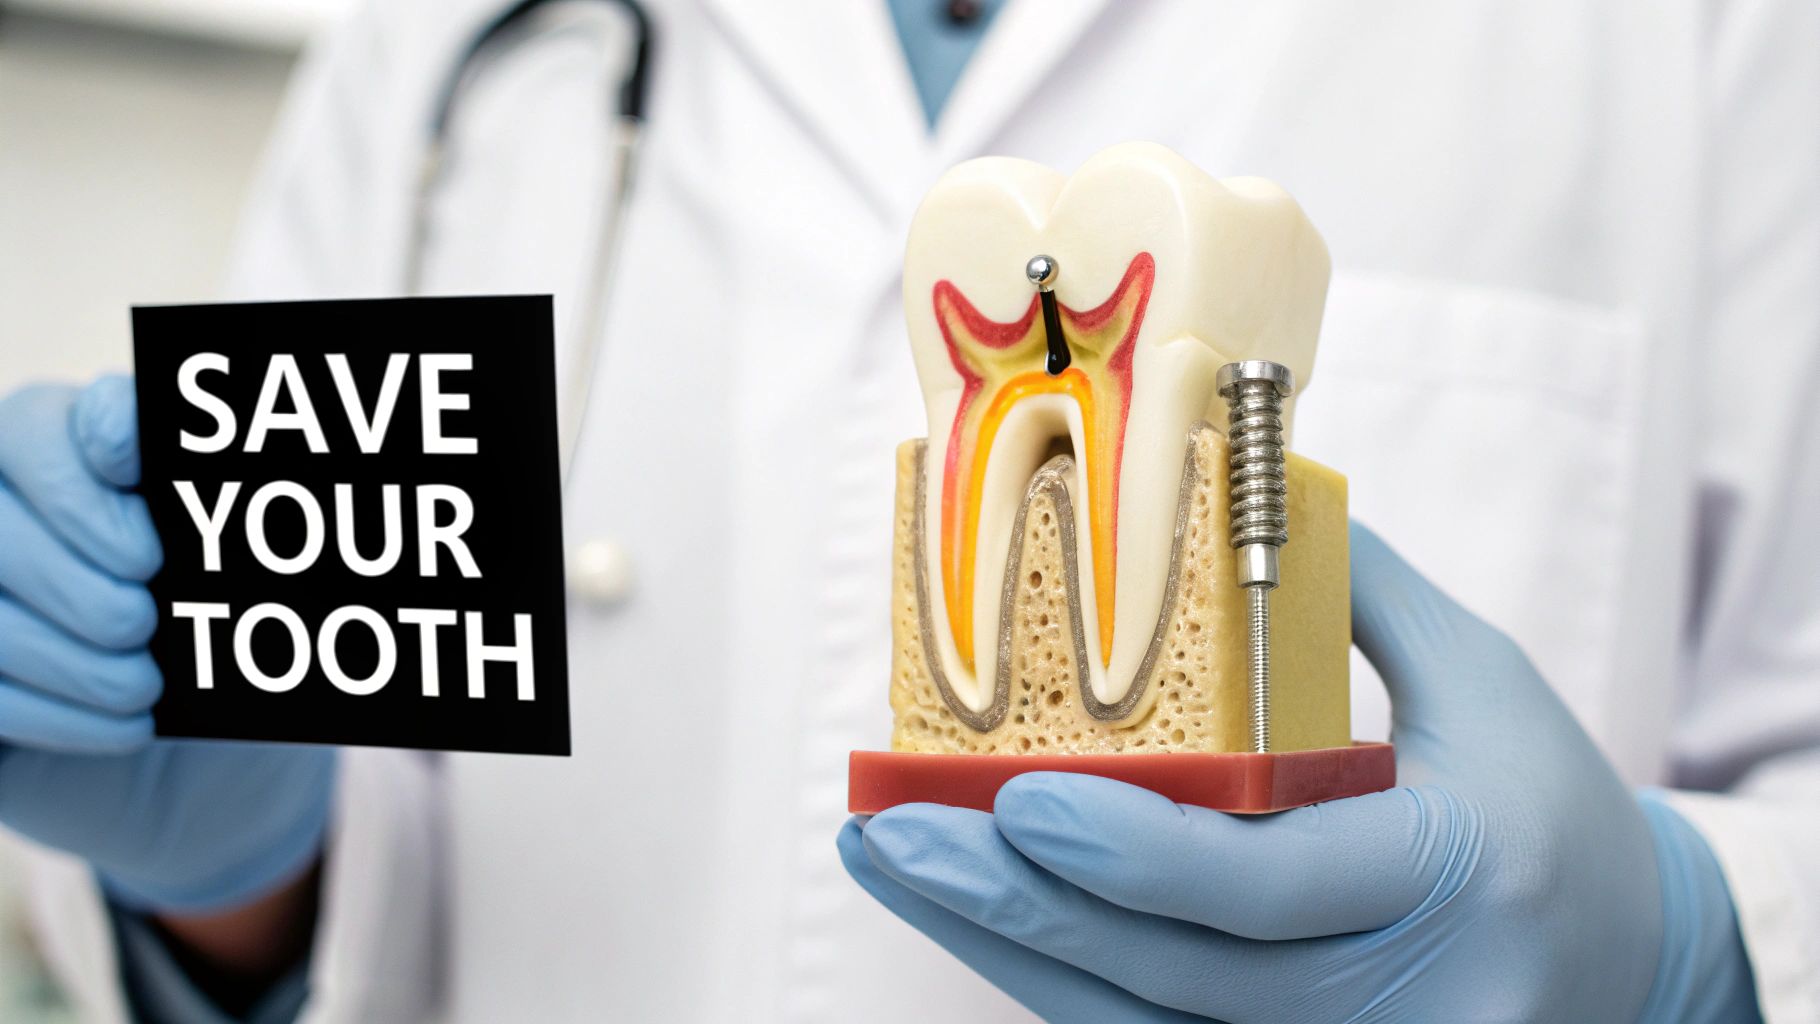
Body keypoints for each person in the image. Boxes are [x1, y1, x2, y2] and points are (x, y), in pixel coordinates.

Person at [1, 1, 1816, 1020]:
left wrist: (1695, 950)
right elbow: (339, 825)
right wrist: (231, 876)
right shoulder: (437, 45)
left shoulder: (1708, 41)